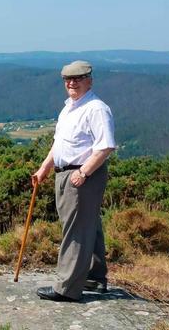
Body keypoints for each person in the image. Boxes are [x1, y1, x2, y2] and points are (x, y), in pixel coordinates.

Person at [31, 60, 116, 302]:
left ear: (89, 80)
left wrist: (84, 173)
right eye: (68, 79)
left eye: (77, 79)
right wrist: (44, 168)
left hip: (81, 175)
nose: (72, 83)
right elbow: (60, 144)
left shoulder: (96, 108)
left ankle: (66, 288)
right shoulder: (70, 107)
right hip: (68, 172)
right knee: (89, 224)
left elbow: (106, 145)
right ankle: (94, 277)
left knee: (76, 229)